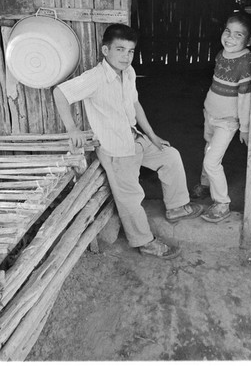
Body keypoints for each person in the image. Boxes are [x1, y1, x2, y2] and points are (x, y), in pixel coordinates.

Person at [53, 23, 203, 260]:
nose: (126, 56)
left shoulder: (129, 72)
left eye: (130, 51)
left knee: (170, 155)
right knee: (130, 197)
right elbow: (60, 93)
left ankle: (175, 207)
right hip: (115, 149)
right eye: (120, 49)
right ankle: (144, 242)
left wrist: (152, 136)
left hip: (135, 138)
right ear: (105, 50)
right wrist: (72, 128)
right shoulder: (95, 78)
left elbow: (135, 104)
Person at [191, 12, 251, 223]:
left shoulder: (245, 63)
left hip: (227, 121)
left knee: (212, 161)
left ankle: (222, 203)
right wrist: (207, 108)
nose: (230, 38)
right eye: (228, 31)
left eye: (238, 35)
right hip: (211, 113)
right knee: (208, 148)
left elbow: (245, 98)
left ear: (249, 40)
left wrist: (244, 127)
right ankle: (206, 185)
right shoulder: (221, 54)